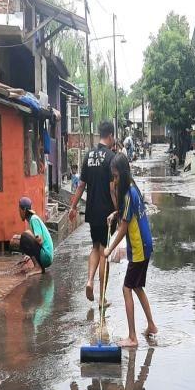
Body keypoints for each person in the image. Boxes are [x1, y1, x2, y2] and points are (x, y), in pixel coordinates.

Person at [103, 153, 157, 347]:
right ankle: (151, 325)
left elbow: (124, 227)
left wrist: (109, 249)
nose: (115, 181)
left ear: (123, 174)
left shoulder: (127, 194)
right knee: (136, 286)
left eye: (116, 177)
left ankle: (132, 337)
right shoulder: (132, 189)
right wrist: (114, 213)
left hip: (139, 247)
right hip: (144, 244)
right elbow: (127, 214)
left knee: (127, 288)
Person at [70, 121, 116, 304]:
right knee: (105, 251)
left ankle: (89, 280)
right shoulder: (112, 157)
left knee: (95, 247)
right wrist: (119, 210)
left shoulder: (88, 155)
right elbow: (113, 189)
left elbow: (81, 185)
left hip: (92, 210)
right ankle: (102, 298)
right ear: (110, 136)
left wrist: (73, 207)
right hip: (107, 212)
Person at [11, 196, 53, 276]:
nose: (18, 212)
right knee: (24, 236)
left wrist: (25, 236)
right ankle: (37, 265)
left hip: (46, 257)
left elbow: (40, 240)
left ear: (23, 210)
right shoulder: (32, 219)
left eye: (19, 210)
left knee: (24, 236)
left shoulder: (34, 219)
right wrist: (29, 255)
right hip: (45, 256)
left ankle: (38, 267)